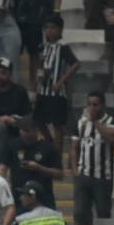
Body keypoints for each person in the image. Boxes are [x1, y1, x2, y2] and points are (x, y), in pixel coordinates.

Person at [72, 91, 114, 225]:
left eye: (96, 105)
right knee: (80, 214)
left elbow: (109, 138)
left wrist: (95, 122)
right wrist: (75, 172)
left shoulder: (112, 121)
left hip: (103, 178)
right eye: (89, 104)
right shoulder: (80, 122)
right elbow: (74, 148)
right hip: (83, 175)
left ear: (103, 105)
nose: (92, 108)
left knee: (103, 215)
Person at [0, 116, 64, 213]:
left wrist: (39, 168)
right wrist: (2, 187)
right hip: (20, 198)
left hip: (43, 198)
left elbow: (60, 175)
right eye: (24, 138)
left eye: (29, 138)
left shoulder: (47, 147)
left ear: (35, 131)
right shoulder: (11, 146)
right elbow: (2, 169)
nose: (27, 140)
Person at [36, 14, 80, 155]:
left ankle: (57, 155)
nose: (49, 31)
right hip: (44, 89)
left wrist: (61, 81)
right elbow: (41, 64)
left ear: (60, 30)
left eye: (53, 28)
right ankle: (50, 141)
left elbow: (75, 64)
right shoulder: (45, 46)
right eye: (47, 28)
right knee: (37, 119)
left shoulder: (63, 47)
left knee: (57, 124)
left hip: (57, 91)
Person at [0, 58, 31, 156]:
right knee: (1, 126)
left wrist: (18, 121)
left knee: (29, 128)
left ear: (10, 74)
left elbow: (28, 114)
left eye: (3, 73)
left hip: (18, 125)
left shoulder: (20, 91)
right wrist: (5, 120)